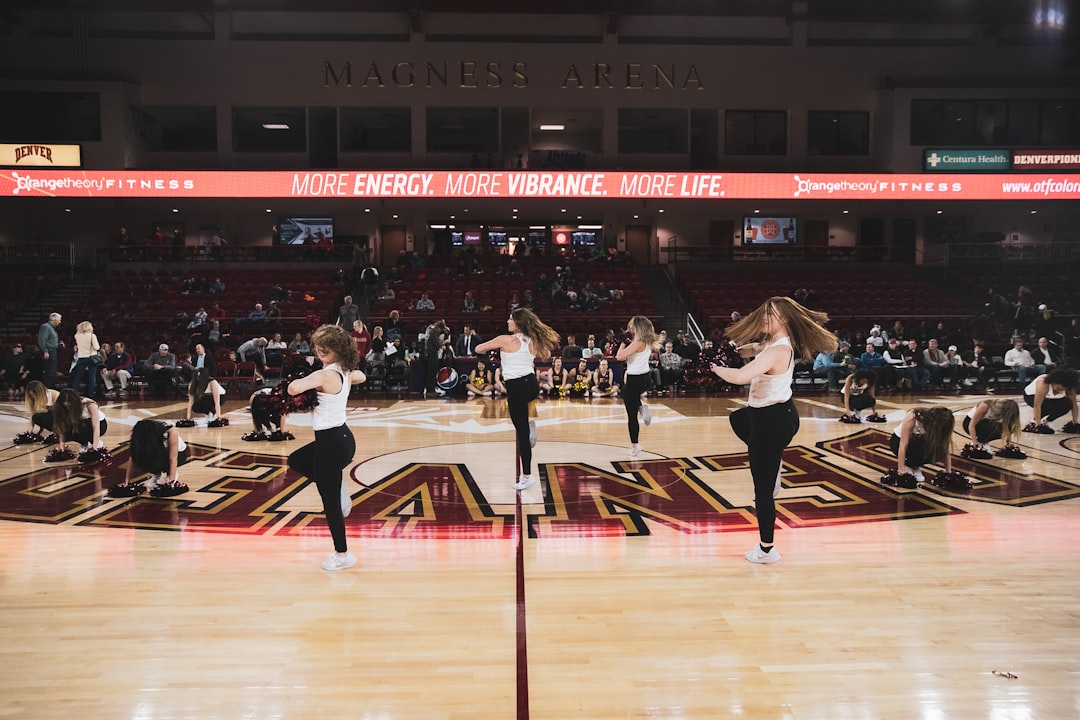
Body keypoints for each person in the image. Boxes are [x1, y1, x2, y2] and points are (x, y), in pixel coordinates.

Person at [709, 296, 837, 564]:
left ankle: (767, 550)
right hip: (772, 415)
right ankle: (774, 463)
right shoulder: (770, 344)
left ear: (785, 319)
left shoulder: (777, 351)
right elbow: (752, 349)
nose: (764, 318)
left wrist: (715, 368)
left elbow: (741, 376)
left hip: (772, 421)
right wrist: (732, 350)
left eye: (771, 314)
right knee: (738, 420)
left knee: (762, 491)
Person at [286, 324, 367, 571]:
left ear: (338, 350)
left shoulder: (324, 376)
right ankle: (339, 487)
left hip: (331, 444)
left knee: (330, 504)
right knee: (297, 460)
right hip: (342, 440)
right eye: (319, 345)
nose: (320, 349)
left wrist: (303, 381)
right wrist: (351, 373)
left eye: (326, 347)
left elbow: (293, 388)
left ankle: (342, 555)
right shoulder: (343, 372)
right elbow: (361, 376)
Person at [476, 308, 560, 491]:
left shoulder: (505, 339)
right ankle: (527, 426)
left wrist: (499, 350)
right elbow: (546, 355)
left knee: (522, 434)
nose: (507, 321)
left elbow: (478, 348)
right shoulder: (533, 340)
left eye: (510, 319)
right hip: (532, 385)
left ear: (518, 323)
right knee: (522, 422)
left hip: (516, 388)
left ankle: (527, 476)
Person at [616, 315, 662, 459]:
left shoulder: (638, 342)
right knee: (625, 392)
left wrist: (622, 344)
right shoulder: (645, 341)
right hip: (645, 378)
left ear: (637, 327)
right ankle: (642, 408)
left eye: (631, 325)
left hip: (635, 379)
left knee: (631, 415)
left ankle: (635, 446)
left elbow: (619, 357)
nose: (629, 327)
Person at [112, 419, 190, 497]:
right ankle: (156, 473)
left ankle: (169, 474)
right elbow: (133, 457)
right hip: (159, 453)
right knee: (142, 458)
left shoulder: (170, 432)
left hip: (180, 454)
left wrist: (171, 483)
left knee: (162, 460)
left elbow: (173, 458)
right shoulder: (139, 436)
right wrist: (128, 482)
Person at [890, 406, 955, 482]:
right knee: (917, 446)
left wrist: (948, 473)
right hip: (898, 441)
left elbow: (945, 449)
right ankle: (907, 466)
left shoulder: (940, 428)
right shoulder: (913, 418)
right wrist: (901, 471)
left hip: (918, 444)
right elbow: (903, 445)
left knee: (936, 449)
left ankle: (914, 467)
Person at [49, 388, 107, 457]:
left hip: (99, 424)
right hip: (82, 424)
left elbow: (96, 427)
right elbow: (62, 427)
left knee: (80, 429)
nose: (68, 408)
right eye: (66, 406)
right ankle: (85, 443)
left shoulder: (89, 404)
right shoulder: (62, 408)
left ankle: (95, 443)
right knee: (70, 430)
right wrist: (62, 448)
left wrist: (94, 448)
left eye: (70, 405)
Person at [1023, 368, 1079, 433]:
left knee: (1067, 404)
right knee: (1048, 406)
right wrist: (1038, 425)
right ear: (1053, 382)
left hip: (1050, 399)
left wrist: (1074, 422)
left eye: (1063, 389)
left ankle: (1047, 421)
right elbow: (1037, 405)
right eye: (1058, 388)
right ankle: (1033, 422)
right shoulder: (1043, 384)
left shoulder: (1069, 388)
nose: (1060, 391)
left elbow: (1074, 405)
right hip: (1030, 396)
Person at [67, 321, 102, 398]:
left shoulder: (77, 335)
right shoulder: (92, 336)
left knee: (78, 376)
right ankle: (90, 394)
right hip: (91, 357)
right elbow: (97, 347)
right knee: (92, 376)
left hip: (81, 357)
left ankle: (74, 393)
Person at [38, 312, 62, 389]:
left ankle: (51, 386)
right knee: (49, 371)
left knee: (52, 370)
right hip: (49, 351)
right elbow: (42, 340)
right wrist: (45, 351)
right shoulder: (46, 327)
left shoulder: (52, 328)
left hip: (53, 350)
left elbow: (50, 341)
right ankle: (48, 387)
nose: (60, 322)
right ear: (54, 319)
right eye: (59, 320)